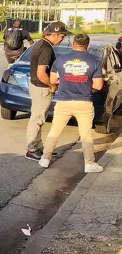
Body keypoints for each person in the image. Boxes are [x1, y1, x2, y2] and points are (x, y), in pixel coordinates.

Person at [38, 34, 104, 173]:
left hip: (63, 101)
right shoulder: (95, 61)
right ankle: (89, 164)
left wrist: (66, 80)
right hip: (84, 103)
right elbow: (98, 86)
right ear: (88, 46)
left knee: (55, 131)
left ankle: (45, 158)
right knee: (86, 135)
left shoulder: (60, 60)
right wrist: (86, 83)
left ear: (73, 45)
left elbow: (53, 79)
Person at [25, 21, 68, 161]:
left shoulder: (41, 43)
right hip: (42, 88)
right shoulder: (46, 48)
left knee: (38, 118)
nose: (63, 39)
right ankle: (32, 149)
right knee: (37, 119)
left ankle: (38, 147)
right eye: (62, 36)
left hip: (37, 86)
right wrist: (52, 85)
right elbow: (41, 73)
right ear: (55, 34)